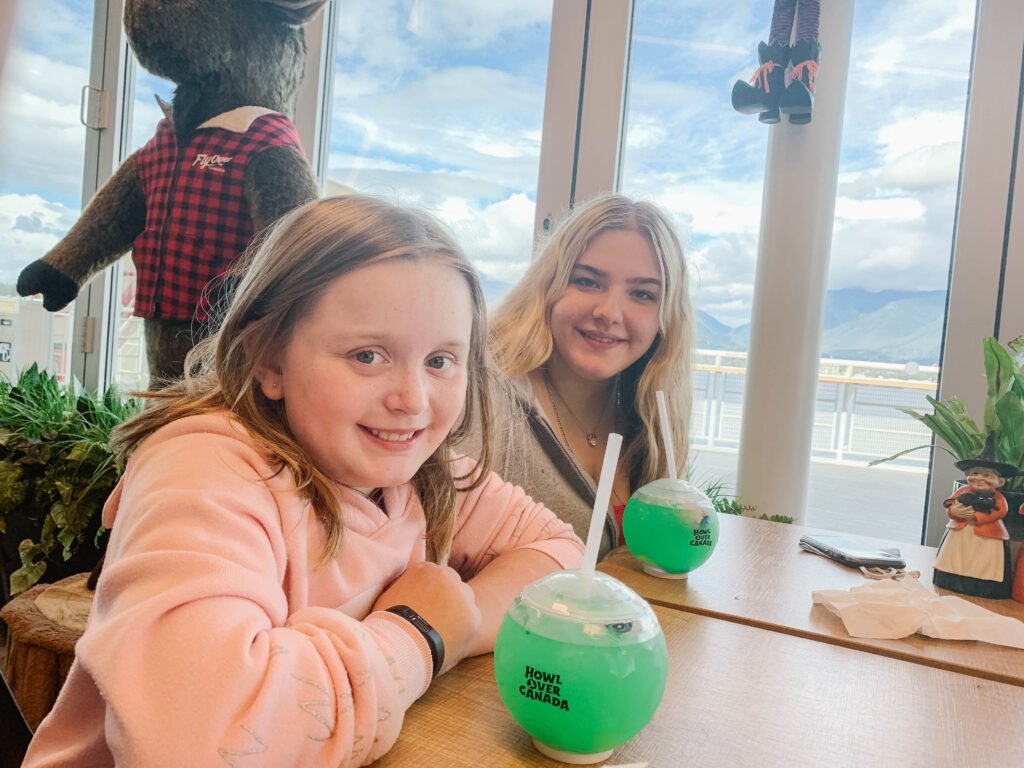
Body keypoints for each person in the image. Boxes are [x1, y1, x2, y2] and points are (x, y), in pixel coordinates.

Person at [23, 195, 584, 767]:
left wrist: (455, 622)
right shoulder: (204, 469)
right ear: (269, 360)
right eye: (367, 355)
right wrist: (419, 634)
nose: (412, 400)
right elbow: (199, 744)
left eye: (441, 361)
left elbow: (560, 554)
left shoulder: (426, 477)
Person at [488, 193, 694, 559]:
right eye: (587, 282)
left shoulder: (647, 418)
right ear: (547, 287)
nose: (609, 312)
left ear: (665, 318)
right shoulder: (484, 400)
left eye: (642, 294)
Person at [933, 435, 1015, 599]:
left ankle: (984, 585)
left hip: (987, 535)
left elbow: (1000, 511)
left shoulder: (998, 498)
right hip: (960, 533)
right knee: (957, 557)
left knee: (984, 561)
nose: (979, 478)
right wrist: (955, 512)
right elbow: (950, 504)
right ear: (967, 475)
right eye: (975, 473)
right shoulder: (963, 492)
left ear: (999, 482)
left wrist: (977, 516)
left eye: (987, 475)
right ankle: (951, 578)